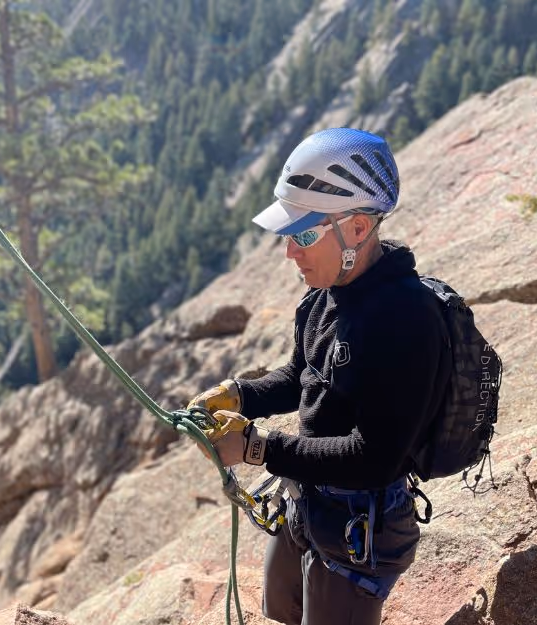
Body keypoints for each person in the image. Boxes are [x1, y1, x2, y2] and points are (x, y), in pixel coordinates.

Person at [189, 128, 452, 625]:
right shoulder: (327, 291)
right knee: (279, 606)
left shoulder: (405, 320)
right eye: (289, 235)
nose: (290, 252)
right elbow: (300, 375)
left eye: (303, 234)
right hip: (308, 499)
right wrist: (239, 396)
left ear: (356, 229)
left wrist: (257, 450)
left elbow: (373, 457)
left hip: (361, 524)